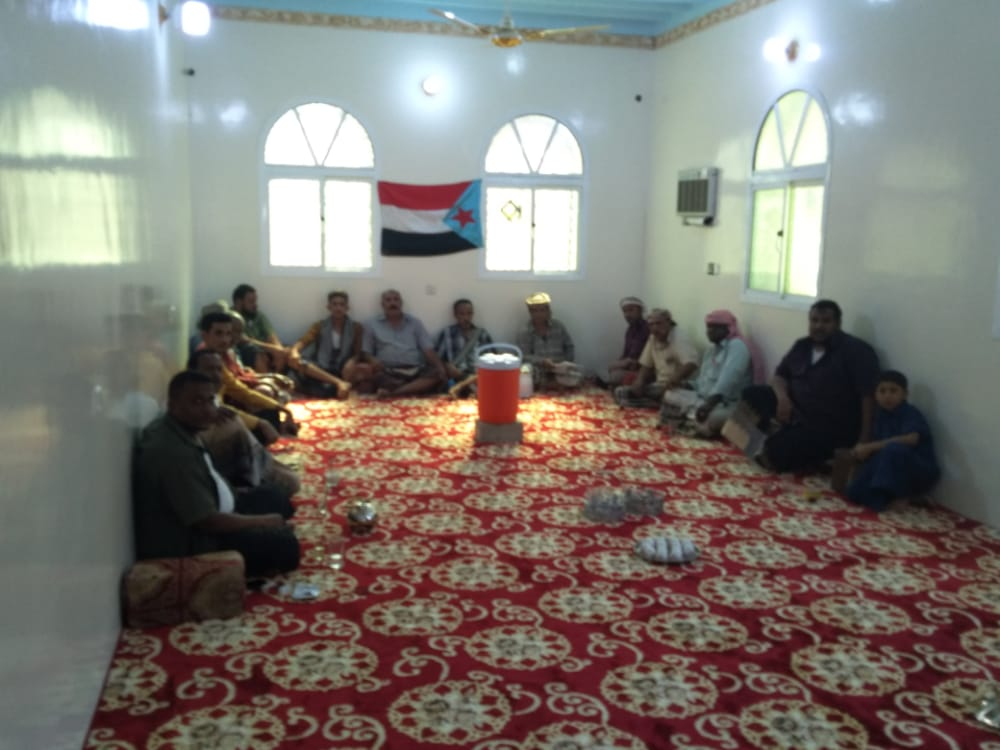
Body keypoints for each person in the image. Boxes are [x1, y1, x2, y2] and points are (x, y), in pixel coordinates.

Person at [133, 371, 300, 578]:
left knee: (277, 498)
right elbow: (208, 521)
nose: (207, 410)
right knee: (286, 547)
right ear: (173, 405)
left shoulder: (182, 429)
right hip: (200, 540)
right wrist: (261, 522)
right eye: (197, 402)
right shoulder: (173, 454)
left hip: (222, 507)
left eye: (210, 401)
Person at [737, 299, 880, 473]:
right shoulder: (802, 346)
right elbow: (780, 376)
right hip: (795, 411)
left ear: (838, 324)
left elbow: (868, 396)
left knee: (776, 452)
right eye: (814, 320)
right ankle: (777, 440)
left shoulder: (856, 351)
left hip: (829, 425)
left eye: (826, 321)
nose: (819, 326)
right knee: (752, 394)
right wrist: (783, 399)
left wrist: (864, 440)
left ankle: (787, 447)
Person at [188, 349, 300, 497]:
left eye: (218, 370)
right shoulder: (196, 412)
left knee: (291, 479)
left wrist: (278, 408)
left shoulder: (215, 398)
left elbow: (240, 393)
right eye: (209, 370)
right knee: (288, 485)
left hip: (244, 453)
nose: (215, 375)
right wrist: (259, 423)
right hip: (231, 468)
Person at [845, 370, 940, 511]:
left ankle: (903, 496)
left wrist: (871, 447)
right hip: (890, 468)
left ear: (905, 394)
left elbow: (911, 439)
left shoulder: (910, 413)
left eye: (893, 391)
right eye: (882, 391)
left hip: (917, 470)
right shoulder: (880, 415)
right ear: (875, 395)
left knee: (894, 449)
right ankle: (914, 499)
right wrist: (863, 450)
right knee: (854, 493)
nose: (887, 396)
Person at [199, 311, 299, 435]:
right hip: (215, 422)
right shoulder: (205, 362)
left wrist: (279, 408)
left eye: (228, 334)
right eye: (218, 333)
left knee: (270, 411)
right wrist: (258, 423)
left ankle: (277, 426)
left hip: (225, 409)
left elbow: (239, 389)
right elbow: (218, 407)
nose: (225, 340)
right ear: (204, 335)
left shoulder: (220, 355)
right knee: (265, 417)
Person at [660, 309, 753, 436]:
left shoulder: (737, 347)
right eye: (708, 327)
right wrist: (685, 385)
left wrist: (709, 404)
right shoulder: (711, 350)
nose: (710, 331)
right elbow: (701, 382)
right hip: (702, 399)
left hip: (727, 404)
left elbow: (728, 381)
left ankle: (692, 421)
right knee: (670, 394)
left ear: (728, 328)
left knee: (714, 418)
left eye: (715, 327)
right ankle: (694, 422)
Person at [356, 289, 447, 398]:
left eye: (396, 300)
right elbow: (366, 351)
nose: (393, 303)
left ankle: (394, 392)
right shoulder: (371, 324)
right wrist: (372, 360)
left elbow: (428, 349)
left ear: (401, 303)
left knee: (436, 373)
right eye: (388, 300)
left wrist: (440, 367)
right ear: (382, 304)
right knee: (372, 376)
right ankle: (411, 388)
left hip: (415, 369)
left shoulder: (415, 323)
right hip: (388, 371)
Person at [614, 308, 698, 408]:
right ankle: (654, 402)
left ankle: (655, 402)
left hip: (677, 387)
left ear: (668, 321)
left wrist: (674, 380)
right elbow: (646, 365)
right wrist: (639, 382)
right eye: (651, 325)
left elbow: (691, 364)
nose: (654, 328)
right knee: (620, 392)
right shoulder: (653, 337)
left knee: (665, 395)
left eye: (658, 323)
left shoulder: (679, 337)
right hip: (658, 385)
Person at [287, 291, 363, 399]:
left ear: (347, 308)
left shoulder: (356, 327)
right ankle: (338, 383)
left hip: (342, 367)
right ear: (329, 307)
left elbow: (358, 352)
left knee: (362, 370)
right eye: (334, 304)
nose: (338, 308)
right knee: (298, 363)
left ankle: (333, 386)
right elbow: (303, 341)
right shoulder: (319, 325)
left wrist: (352, 361)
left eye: (341, 305)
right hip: (321, 367)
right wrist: (294, 351)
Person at [516, 292, 581, 390]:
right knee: (525, 371)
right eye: (535, 311)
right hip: (539, 370)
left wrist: (566, 363)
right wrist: (542, 361)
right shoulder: (525, 331)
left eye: (542, 310)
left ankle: (554, 383)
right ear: (530, 312)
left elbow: (569, 346)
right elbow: (524, 356)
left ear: (548, 311)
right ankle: (551, 384)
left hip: (559, 368)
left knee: (577, 373)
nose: (539, 314)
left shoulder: (558, 326)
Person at [434, 298, 494, 398]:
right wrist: (447, 366)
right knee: (434, 375)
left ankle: (466, 389)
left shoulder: (482, 334)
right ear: (455, 315)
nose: (466, 317)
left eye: (469, 313)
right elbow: (437, 358)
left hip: (476, 376)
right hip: (454, 374)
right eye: (462, 314)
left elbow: (492, 358)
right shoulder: (447, 333)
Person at [232, 283, 286, 373]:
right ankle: (267, 380)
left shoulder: (258, 315)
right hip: (246, 351)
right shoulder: (232, 317)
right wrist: (272, 349)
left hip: (263, 347)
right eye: (251, 301)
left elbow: (272, 337)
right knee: (257, 353)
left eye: (255, 301)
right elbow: (244, 340)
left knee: (286, 352)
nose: (255, 305)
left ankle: (276, 378)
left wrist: (278, 351)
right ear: (239, 302)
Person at [602, 296, 649, 388]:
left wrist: (618, 365)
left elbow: (635, 360)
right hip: (630, 366)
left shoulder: (646, 328)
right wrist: (617, 363)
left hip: (643, 370)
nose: (627, 314)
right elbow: (626, 354)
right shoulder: (630, 330)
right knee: (606, 372)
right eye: (625, 311)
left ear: (640, 310)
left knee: (614, 376)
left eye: (631, 310)